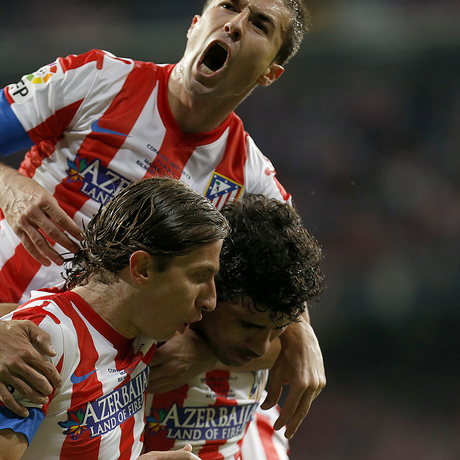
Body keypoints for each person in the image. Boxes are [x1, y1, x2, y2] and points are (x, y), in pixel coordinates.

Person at [0, 0, 324, 442]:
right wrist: (10, 186)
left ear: (270, 71)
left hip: (96, 379)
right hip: (10, 333)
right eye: (228, 6)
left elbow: (277, 303)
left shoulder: (250, 178)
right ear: (194, 27)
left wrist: (299, 330)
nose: (235, 24)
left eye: (260, 24)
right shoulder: (97, 79)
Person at [0, 176, 229, 459]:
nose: (211, 301)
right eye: (199, 276)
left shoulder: (144, 328)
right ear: (143, 268)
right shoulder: (40, 343)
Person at [143, 194, 324, 459]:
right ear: (210, 290)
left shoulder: (251, 341)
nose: (262, 346)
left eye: (279, 329)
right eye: (247, 325)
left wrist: (208, 357)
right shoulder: (148, 324)